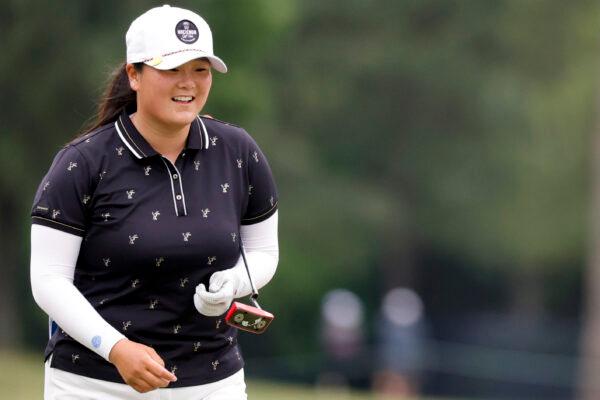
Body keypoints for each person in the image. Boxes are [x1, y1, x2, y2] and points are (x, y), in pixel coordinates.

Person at [30, 5, 279, 399]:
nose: (189, 83)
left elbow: (263, 251)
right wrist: (116, 348)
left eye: (200, 69)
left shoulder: (238, 152)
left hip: (213, 382)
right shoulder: (82, 162)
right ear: (134, 75)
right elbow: (48, 280)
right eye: (171, 70)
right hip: (93, 383)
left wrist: (234, 282)